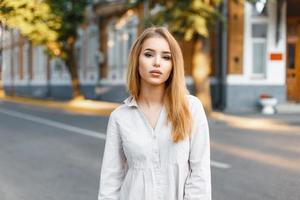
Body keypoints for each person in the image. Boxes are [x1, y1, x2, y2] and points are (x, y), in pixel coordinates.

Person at [98, 26, 211, 200]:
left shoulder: (191, 108)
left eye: (166, 57)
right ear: (137, 60)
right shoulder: (120, 117)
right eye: (149, 54)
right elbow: (110, 180)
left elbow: (200, 174)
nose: (157, 62)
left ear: (173, 65)